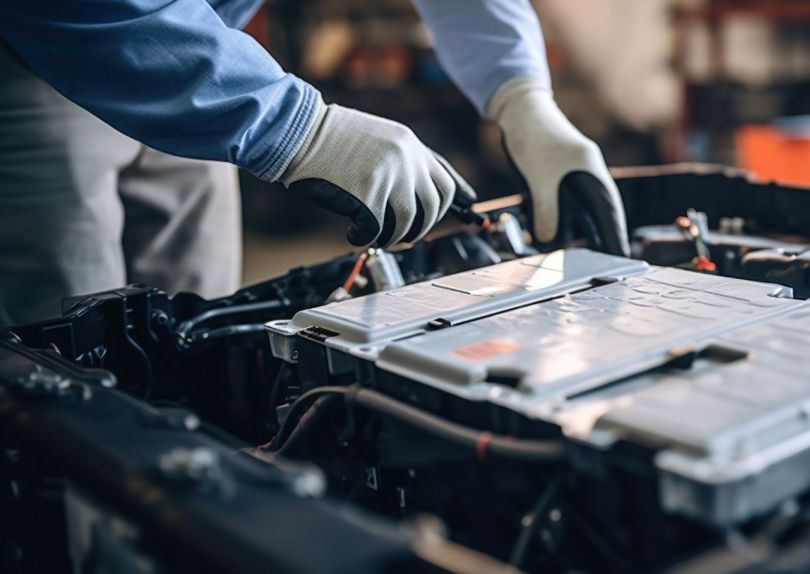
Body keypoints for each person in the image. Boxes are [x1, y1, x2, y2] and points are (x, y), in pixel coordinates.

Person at [0, 0, 630, 326]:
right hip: (37, 51)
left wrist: (521, 97)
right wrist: (296, 128)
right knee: (66, 353)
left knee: (198, 323)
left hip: (207, 44)